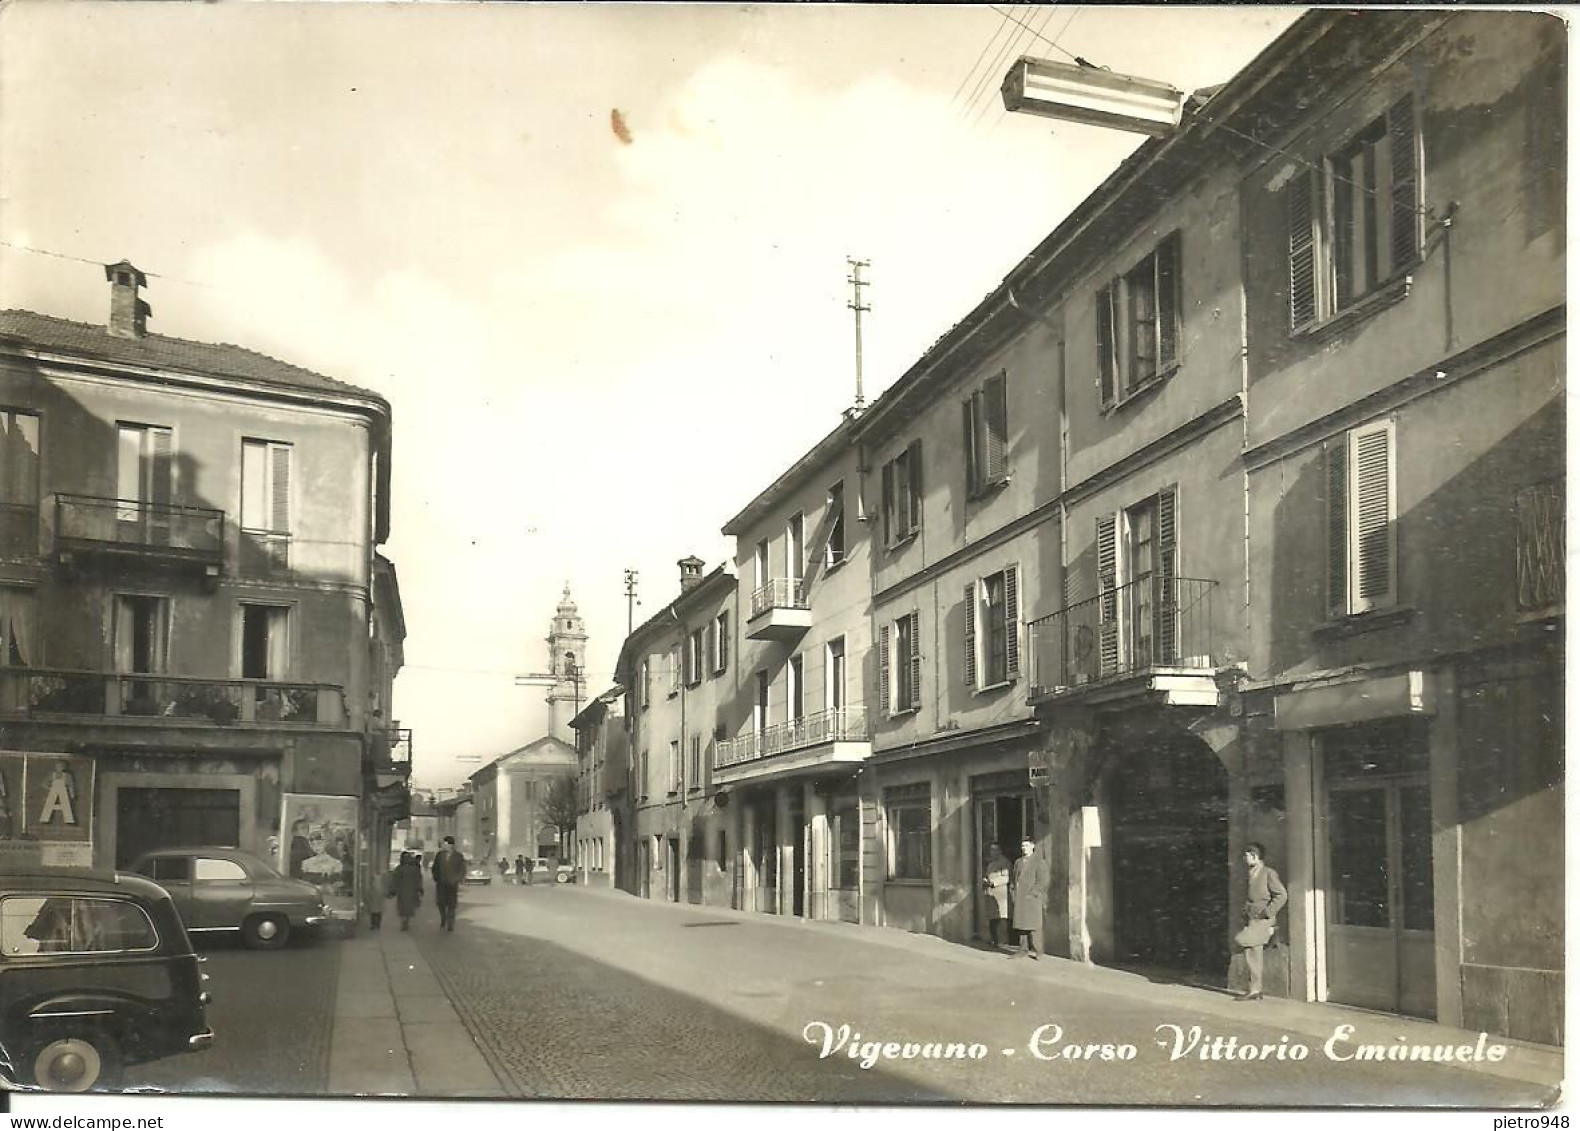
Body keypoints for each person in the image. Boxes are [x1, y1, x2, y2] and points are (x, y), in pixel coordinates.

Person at [1235, 842, 1287, 1001]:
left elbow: (1282, 895)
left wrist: (1268, 912)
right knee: (1252, 952)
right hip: (1252, 918)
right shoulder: (1251, 873)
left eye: (1248, 856)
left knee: (1245, 944)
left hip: (1262, 919)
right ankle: (1255, 989)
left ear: (1255, 856)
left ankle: (1255, 989)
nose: (1245, 859)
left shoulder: (1268, 873)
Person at [1009, 835, 1048, 960]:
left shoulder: (1039, 862)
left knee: (1034, 926)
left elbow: (1043, 880)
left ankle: (1039, 951)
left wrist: (1034, 893)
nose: (1024, 848)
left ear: (1032, 846)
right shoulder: (1018, 862)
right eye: (1022, 846)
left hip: (1032, 899)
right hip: (1020, 898)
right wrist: (1013, 893)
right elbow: (1013, 879)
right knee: (1021, 925)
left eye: (1026, 845)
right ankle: (1022, 950)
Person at [981, 841, 1013, 950]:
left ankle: (1003, 941)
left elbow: (1007, 877)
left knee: (1001, 918)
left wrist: (994, 882)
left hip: (1001, 893)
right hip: (991, 893)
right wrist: (986, 881)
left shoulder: (1005, 863)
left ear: (1000, 851)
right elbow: (988, 875)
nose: (992, 852)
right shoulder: (990, 864)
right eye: (991, 850)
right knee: (992, 919)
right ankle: (994, 940)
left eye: (995, 850)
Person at [431, 836, 467, 931]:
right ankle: (443, 918)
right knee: (440, 903)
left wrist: (457, 879)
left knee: (451, 904)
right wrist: (436, 878)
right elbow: (435, 868)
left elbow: (462, 869)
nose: (443, 845)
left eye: (444, 843)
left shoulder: (458, 856)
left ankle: (450, 924)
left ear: (450, 844)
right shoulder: (439, 855)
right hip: (441, 883)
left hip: (452, 884)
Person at [390, 851, 424, 931]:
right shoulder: (415, 869)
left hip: (401, 890)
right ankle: (406, 920)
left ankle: (404, 921)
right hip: (412, 890)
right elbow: (418, 879)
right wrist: (419, 889)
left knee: (402, 907)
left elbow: (394, 879)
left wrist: (393, 889)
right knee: (409, 906)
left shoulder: (399, 868)